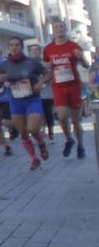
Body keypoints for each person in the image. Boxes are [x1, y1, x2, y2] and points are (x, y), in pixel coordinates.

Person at [0, 37, 50, 171]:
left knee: (32, 128)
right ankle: (34, 159)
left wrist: (40, 83)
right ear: (9, 48)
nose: (14, 47)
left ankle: (41, 143)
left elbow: (47, 74)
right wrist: (0, 81)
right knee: (23, 133)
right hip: (15, 101)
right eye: (11, 45)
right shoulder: (4, 65)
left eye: (17, 45)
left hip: (32, 100)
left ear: (21, 47)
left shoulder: (31, 62)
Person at [44, 20, 89, 159]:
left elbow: (86, 65)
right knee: (62, 117)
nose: (59, 29)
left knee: (76, 120)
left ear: (66, 29)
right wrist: (42, 79)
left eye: (62, 27)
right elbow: (46, 68)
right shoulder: (48, 49)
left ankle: (80, 145)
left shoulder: (73, 46)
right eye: (56, 27)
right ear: (53, 30)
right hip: (58, 87)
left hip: (74, 85)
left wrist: (81, 57)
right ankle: (69, 139)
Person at [29, 43, 56, 142]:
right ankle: (41, 131)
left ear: (40, 52)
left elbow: (50, 75)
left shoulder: (45, 63)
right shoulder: (29, 64)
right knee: (38, 113)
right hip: (34, 93)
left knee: (47, 112)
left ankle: (51, 131)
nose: (34, 52)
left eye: (36, 50)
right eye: (32, 50)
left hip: (46, 92)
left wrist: (42, 81)